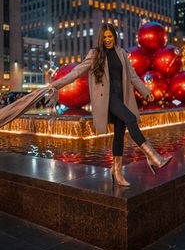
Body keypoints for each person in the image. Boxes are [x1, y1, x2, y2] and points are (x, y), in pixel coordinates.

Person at [0, 23, 172, 186]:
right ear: (101, 38)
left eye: (110, 36)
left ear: (114, 37)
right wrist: (56, 84)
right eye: (104, 37)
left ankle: (117, 171)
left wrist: (146, 92)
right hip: (107, 98)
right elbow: (76, 72)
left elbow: (133, 76)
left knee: (119, 133)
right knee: (131, 118)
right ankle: (153, 156)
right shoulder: (95, 54)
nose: (107, 40)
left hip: (122, 97)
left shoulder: (121, 54)